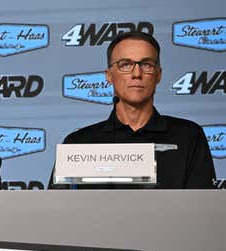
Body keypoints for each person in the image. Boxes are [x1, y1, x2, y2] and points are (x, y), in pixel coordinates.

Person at [49, 31, 216, 189]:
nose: (137, 73)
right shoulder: (78, 143)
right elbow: (56, 210)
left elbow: (202, 210)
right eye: (125, 64)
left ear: (158, 74)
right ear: (109, 75)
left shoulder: (189, 136)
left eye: (146, 64)